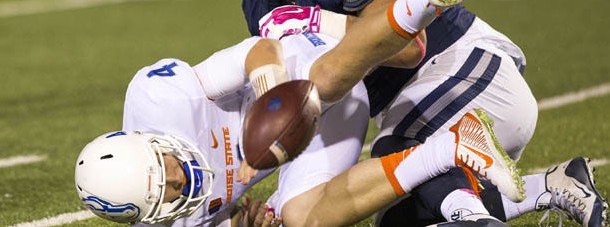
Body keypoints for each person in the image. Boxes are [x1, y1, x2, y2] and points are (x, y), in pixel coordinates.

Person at [214, 0, 608, 227]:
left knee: (397, 151)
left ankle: (472, 220)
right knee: (397, 216)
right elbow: (305, 102)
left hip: (463, 70)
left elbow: (409, 49)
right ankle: (552, 185)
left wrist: (323, 24)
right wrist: (285, 197)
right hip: (423, 106)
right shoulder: (259, 5)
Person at [75, 35, 525, 227]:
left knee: (323, 78)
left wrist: (274, 104)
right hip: (321, 132)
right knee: (299, 217)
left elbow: (260, 48)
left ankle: (408, 19)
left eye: (168, 168)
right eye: (169, 195)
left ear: (154, 145)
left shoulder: (160, 99)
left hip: (303, 73)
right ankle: (453, 146)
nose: (181, 180)